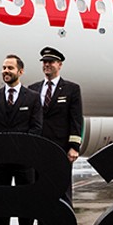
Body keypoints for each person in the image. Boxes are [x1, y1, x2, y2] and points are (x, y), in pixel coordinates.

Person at [0, 54, 43, 225]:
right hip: (0, 161)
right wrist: (0, 148)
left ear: (20, 71)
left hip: (24, 160)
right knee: (1, 203)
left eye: (10, 68)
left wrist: (19, 149)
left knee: (26, 203)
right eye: (4, 68)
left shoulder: (32, 98)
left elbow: (36, 128)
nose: (5, 71)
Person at [28, 47, 84, 204]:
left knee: (62, 190)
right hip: (38, 147)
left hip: (61, 148)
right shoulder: (33, 89)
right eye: (44, 62)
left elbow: (76, 119)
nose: (47, 65)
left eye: (51, 62)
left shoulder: (71, 89)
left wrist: (74, 147)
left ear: (59, 65)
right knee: (40, 189)